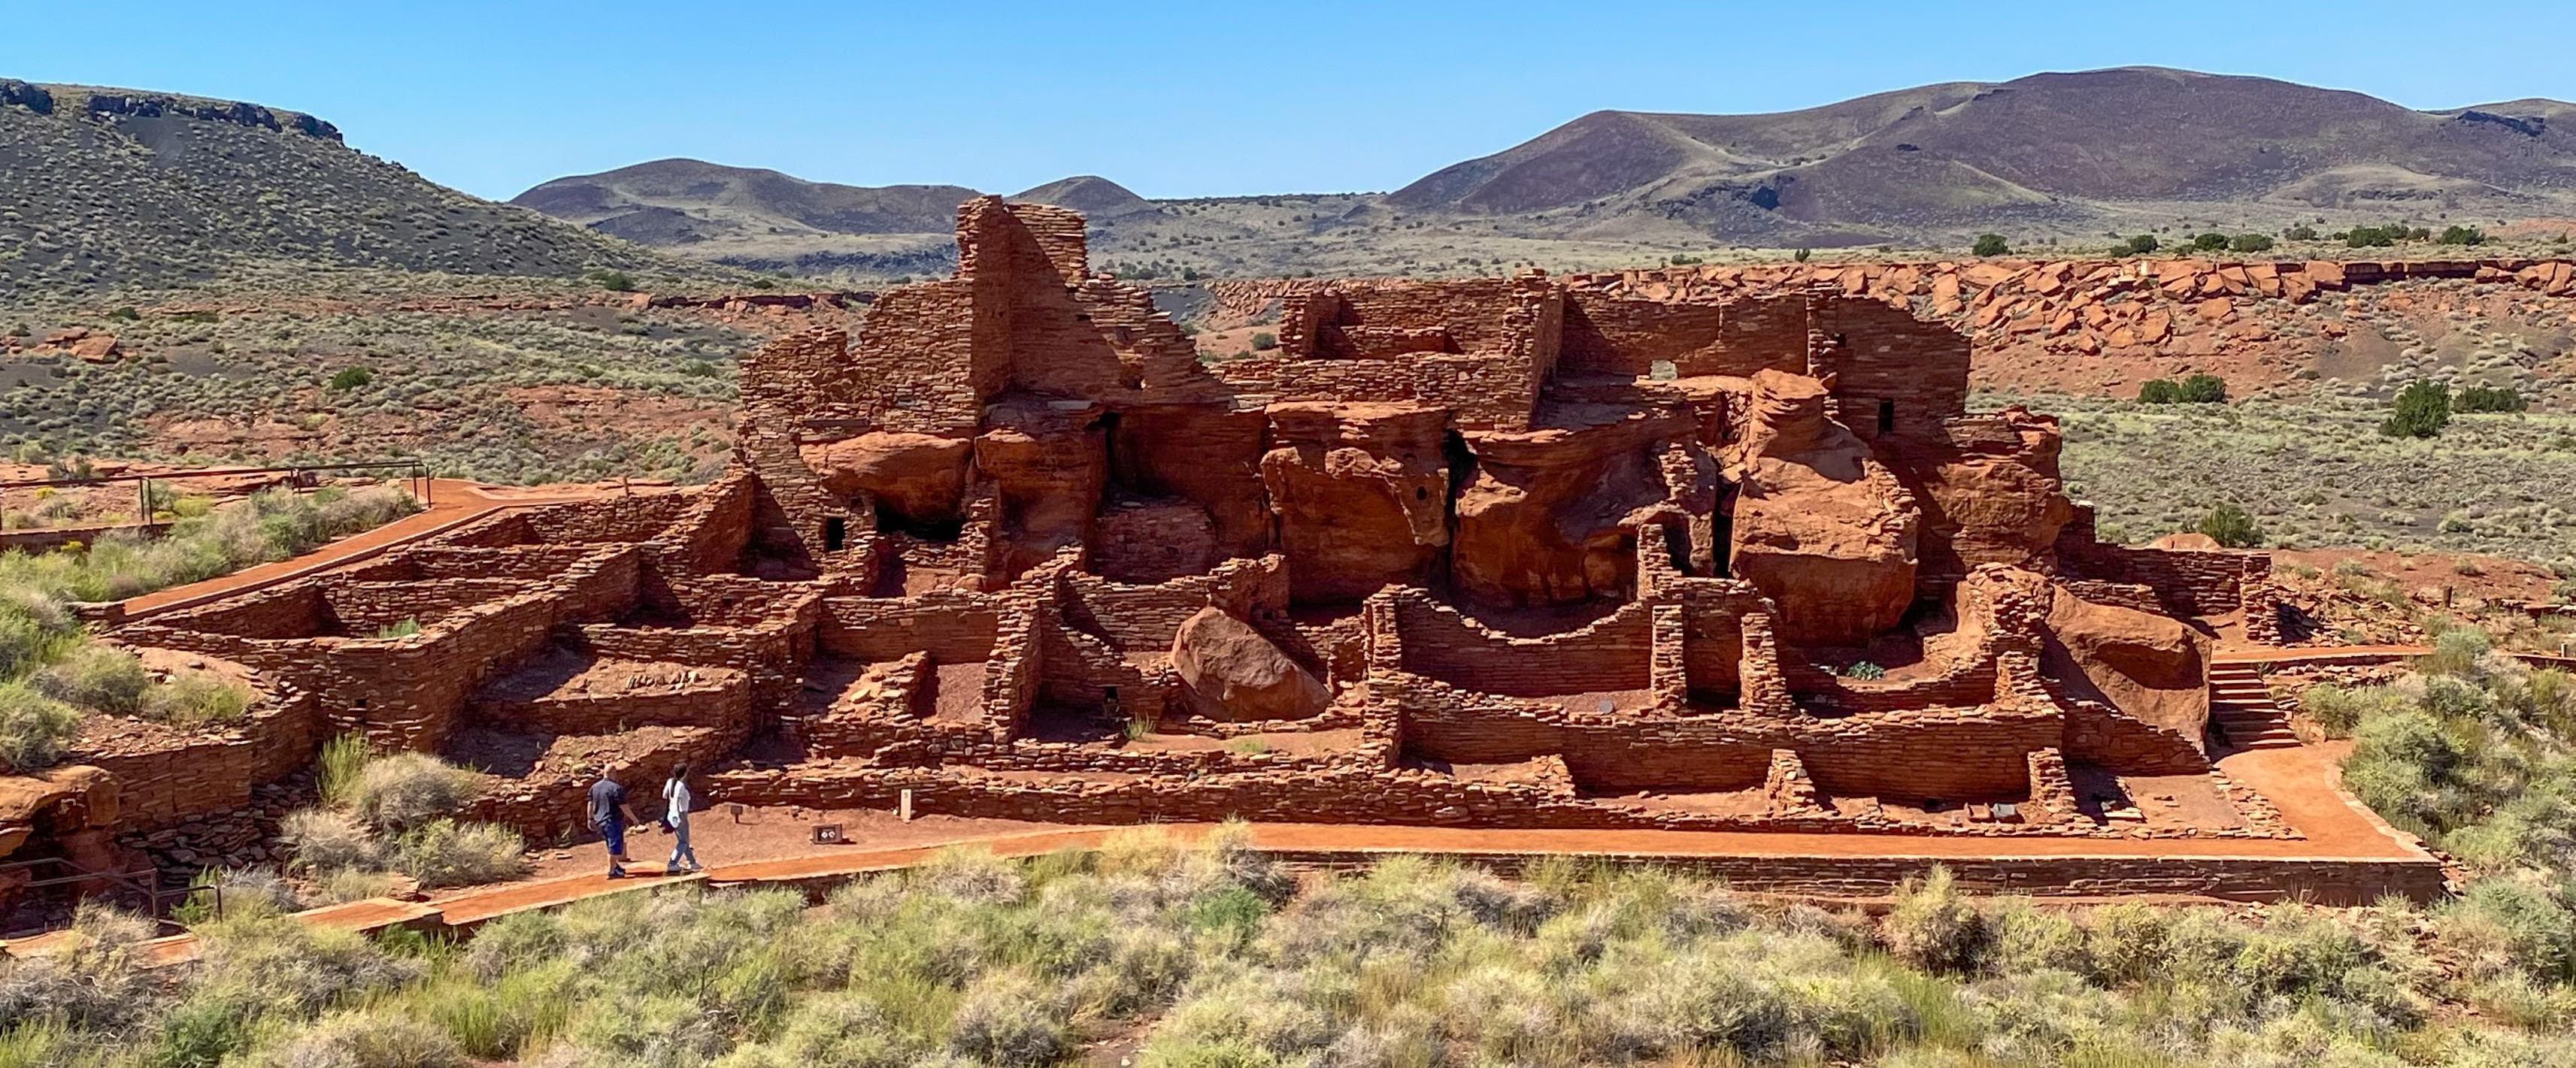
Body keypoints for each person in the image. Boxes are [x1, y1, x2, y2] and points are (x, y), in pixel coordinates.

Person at [587, 766, 645, 879]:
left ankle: (616, 867)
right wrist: (634, 819)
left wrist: (590, 818)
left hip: (601, 821)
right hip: (613, 820)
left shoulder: (594, 787)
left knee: (610, 845)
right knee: (615, 846)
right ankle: (611, 871)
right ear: (613, 773)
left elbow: (590, 804)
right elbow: (623, 806)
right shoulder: (616, 788)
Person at [661, 762, 702, 875]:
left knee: (683, 840)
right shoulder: (680, 785)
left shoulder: (670, 782)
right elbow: (678, 799)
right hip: (680, 814)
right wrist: (679, 814)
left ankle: (692, 862)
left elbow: (664, 795)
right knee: (684, 841)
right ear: (684, 773)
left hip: (671, 814)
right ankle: (672, 863)